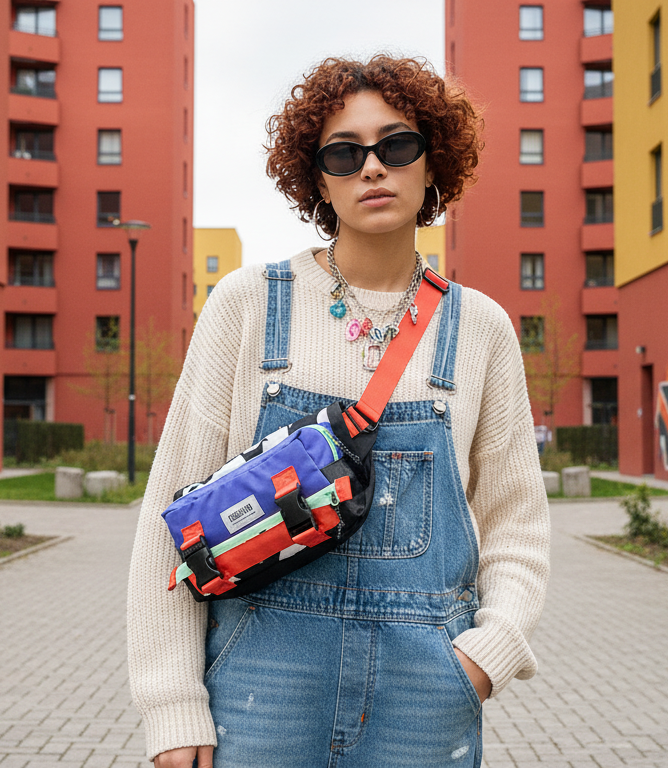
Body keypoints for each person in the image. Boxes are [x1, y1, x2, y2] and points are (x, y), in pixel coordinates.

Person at [126, 55, 550, 768]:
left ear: (432, 161)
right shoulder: (248, 304)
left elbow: (517, 520)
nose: (373, 168)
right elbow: (169, 520)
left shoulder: (481, 328)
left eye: (397, 145)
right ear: (318, 179)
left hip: (426, 689)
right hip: (259, 680)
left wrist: (486, 654)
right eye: (345, 153)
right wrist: (171, 704)